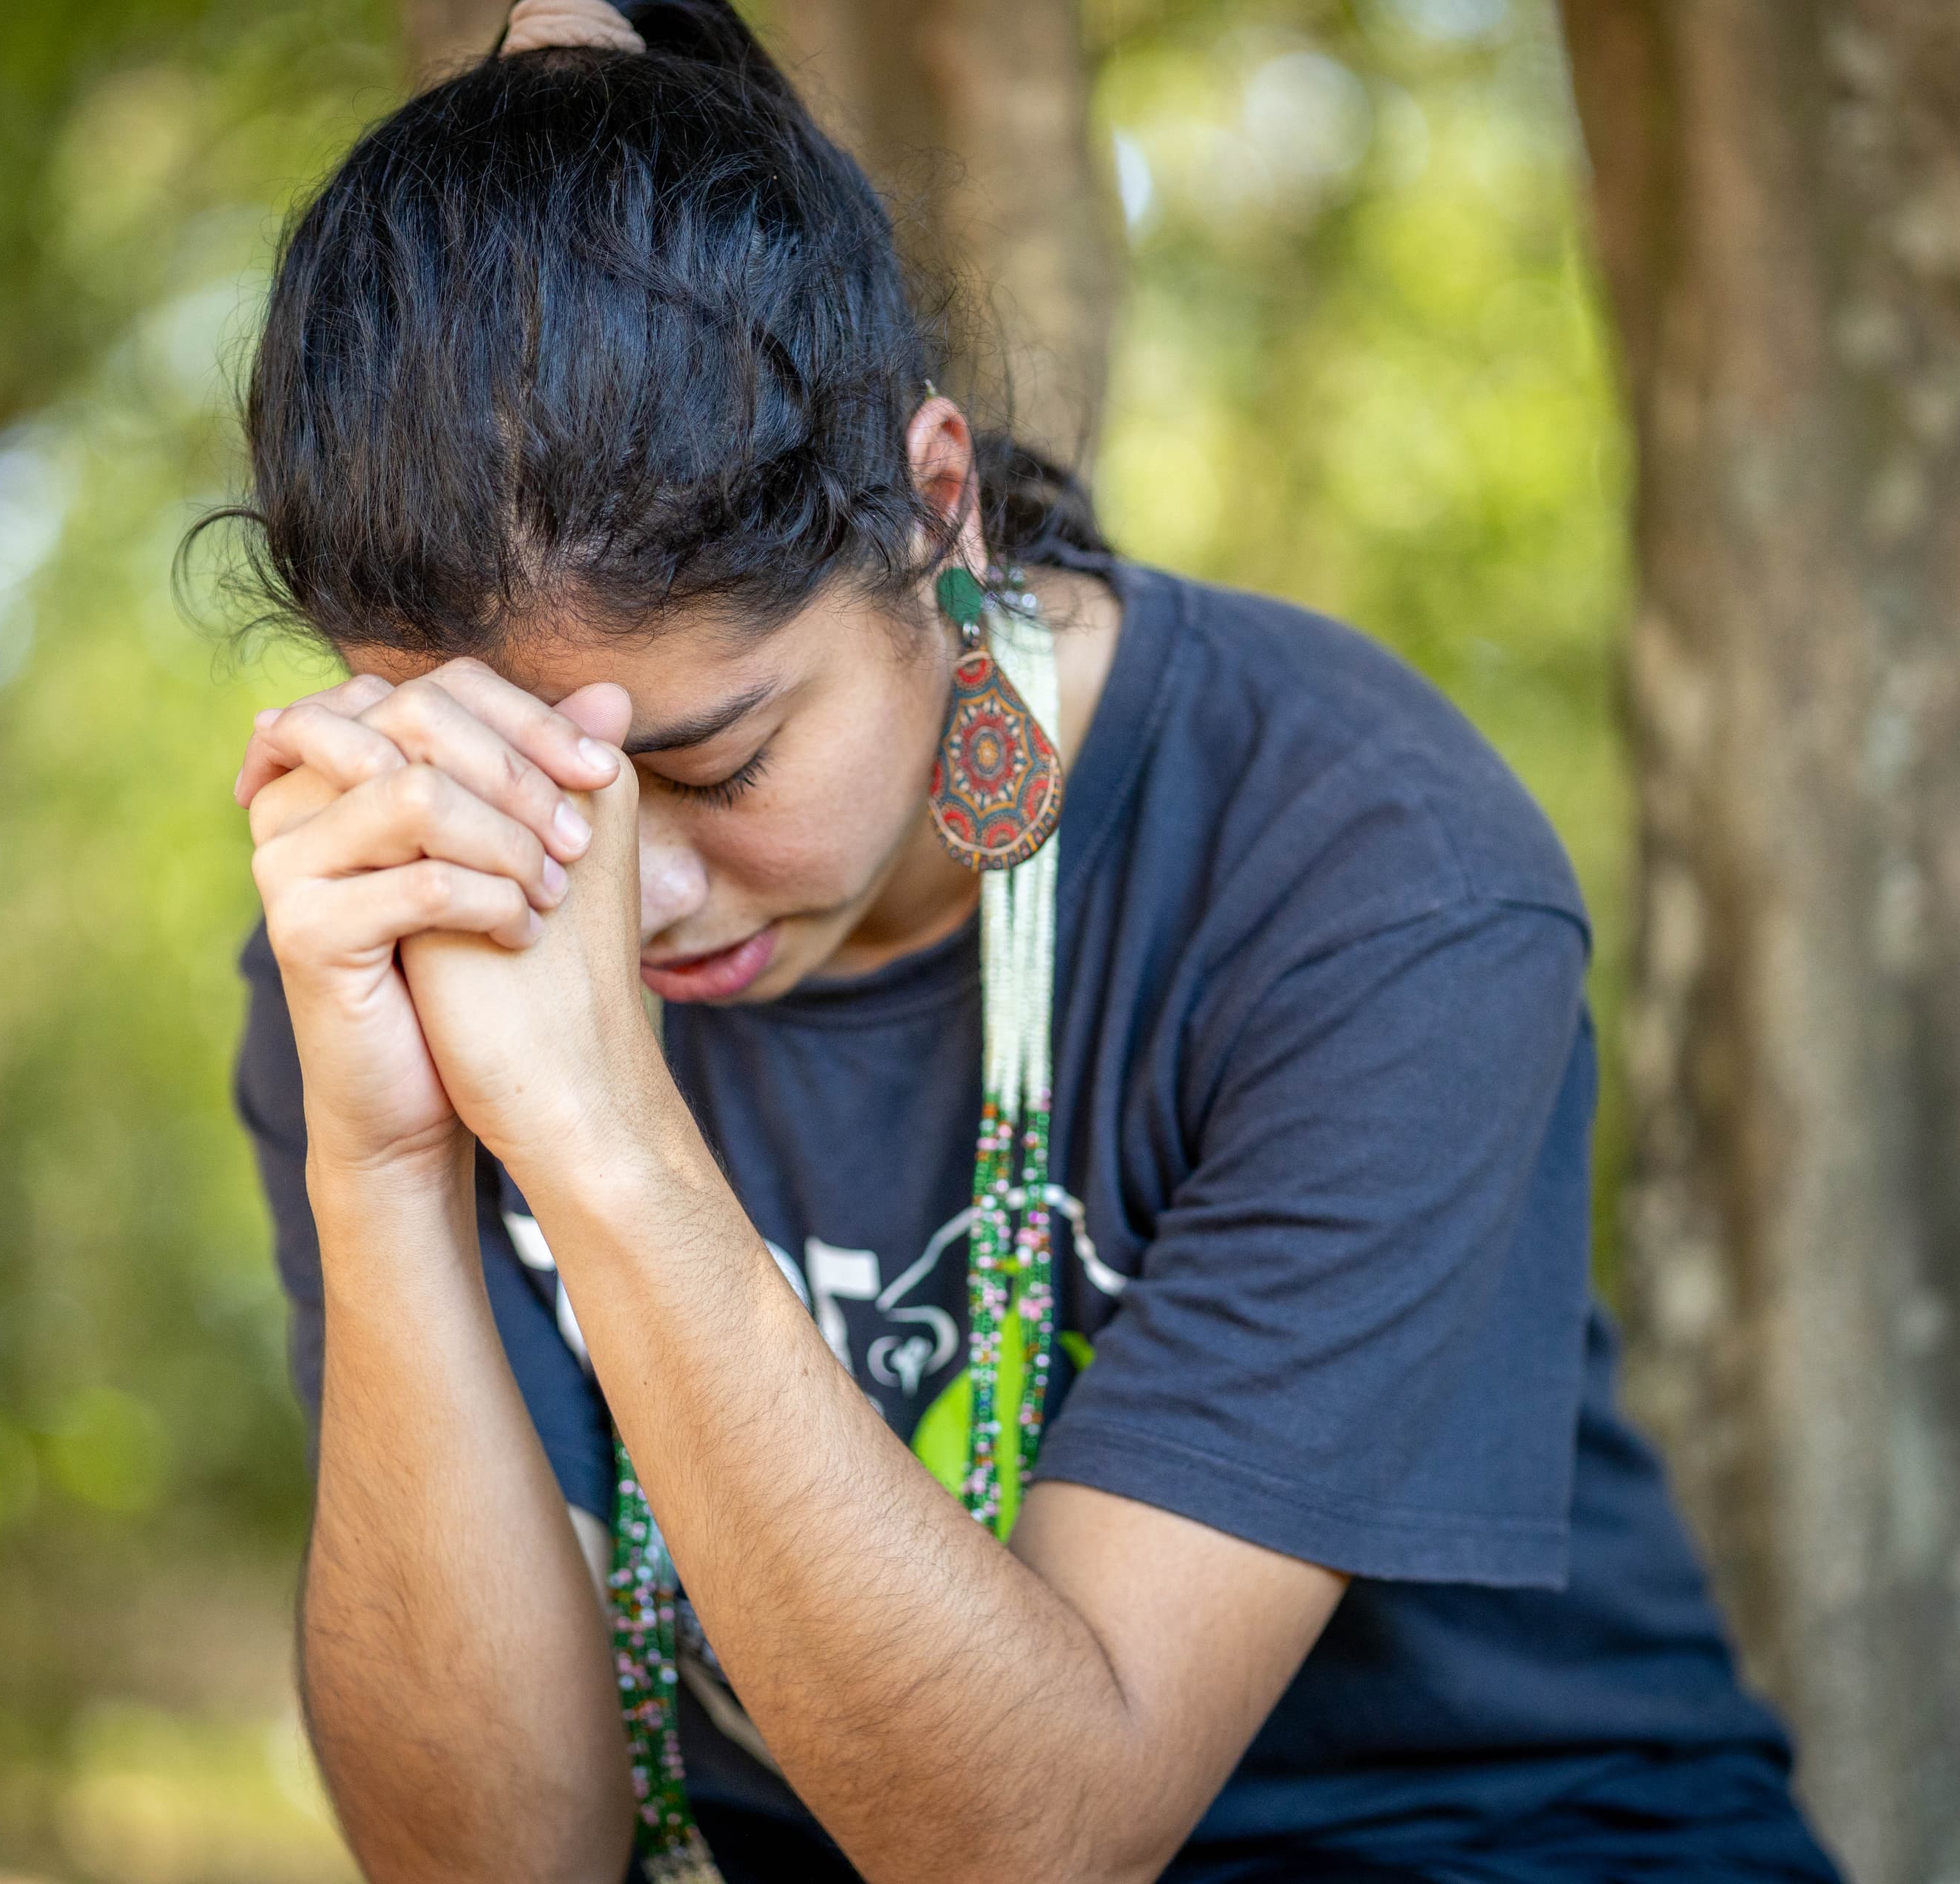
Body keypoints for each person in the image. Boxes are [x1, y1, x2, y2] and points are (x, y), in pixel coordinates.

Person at [218, 2, 1844, 1879]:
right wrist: (387, 1165)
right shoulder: (401, 913)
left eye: (716, 757)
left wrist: (602, 1138)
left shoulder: (1364, 869)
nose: (625, 897)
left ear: (934, 507)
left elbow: (1034, 1844)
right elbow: (491, 1861)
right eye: (528, 789)